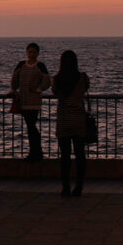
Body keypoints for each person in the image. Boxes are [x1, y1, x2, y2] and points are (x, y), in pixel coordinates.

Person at [52, 50, 89, 196]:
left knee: (65, 155)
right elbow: (86, 88)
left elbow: (55, 92)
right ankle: (79, 186)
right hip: (78, 119)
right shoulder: (83, 78)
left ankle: (65, 186)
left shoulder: (57, 79)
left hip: (63, 120)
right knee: (80, 155)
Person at [10, 42, 50, 161]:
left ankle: (35, 152)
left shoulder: (40, 66)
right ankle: (36, 152)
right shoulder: (21, 65)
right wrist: (13, 90)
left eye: (34, 52)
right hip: (23, 100)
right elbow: (14, 78)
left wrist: (39, 89)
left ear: (37, 53)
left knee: (31, 126)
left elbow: (47, 80)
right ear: (26, 52)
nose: (31, 54)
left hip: (34, 101)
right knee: (30, 126)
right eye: (29, 52)